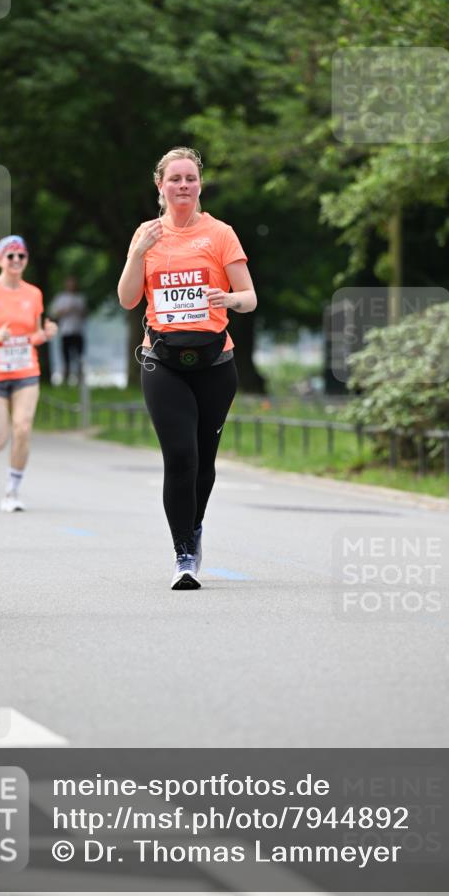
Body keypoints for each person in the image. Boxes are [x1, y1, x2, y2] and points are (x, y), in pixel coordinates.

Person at [117, 147, 257, 590]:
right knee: (180, 456)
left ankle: (194, 529)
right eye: (174, 178)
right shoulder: (145, 234)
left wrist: (228, 299)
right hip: (162, 361)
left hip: (216, 362)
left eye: (190, 178)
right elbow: (127, 299)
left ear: (199, 185)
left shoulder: (220, 234)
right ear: (160, 186)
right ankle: (182, 555)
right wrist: (138, 254)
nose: (183, 185)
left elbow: (248, 296)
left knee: (204, 462)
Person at [0, 235, 57, 511]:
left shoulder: (34, 293)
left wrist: (45, 334)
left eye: (22, 255)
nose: (17, 260)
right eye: (11, 255)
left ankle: (12, 492)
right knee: (0, 436)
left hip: (25, 370)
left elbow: (33, 334)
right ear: (1, 259)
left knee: (22, 428)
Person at [49, 276, 86, 385]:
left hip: (78, 331)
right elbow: (53, 314)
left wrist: (78, 311)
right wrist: (65, 311)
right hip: (65, 332)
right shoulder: (60, 298)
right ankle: (66, 379)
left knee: (79, 357)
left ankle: (80, 380)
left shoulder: (80, 298)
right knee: (65, 358)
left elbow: (85, 314)